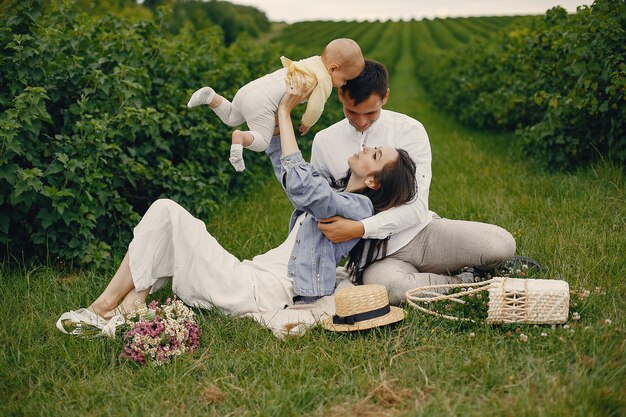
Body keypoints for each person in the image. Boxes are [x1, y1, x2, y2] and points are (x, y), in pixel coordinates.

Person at [56, 74, 417, 336]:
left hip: (260, 291)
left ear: (373, 181)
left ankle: (102, 308)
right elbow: (293, 178)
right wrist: (275, 129)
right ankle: (130, 304)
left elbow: (307, 190)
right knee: (170, 219)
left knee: (167, 211)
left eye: (375, 153)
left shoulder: (358, 209)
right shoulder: (334, 188)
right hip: (252, 276)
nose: (366, 146)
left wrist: (286, 115)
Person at [310, 60, 518, 305]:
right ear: (341, 95)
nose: (362, 121)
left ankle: (431, 273)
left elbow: (416, 206)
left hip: (421, 234)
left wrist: (361, 227)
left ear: (385, 97)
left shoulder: (409, 130)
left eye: (370, 113)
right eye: (353, 112)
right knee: (390, 289)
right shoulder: (324, 141)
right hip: (375, 257)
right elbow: (316, 202)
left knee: (501, 245)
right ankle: (467, 279)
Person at [187, 38, 364, 172]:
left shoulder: (312, 61)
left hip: (252, 88)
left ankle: (212, 97)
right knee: (263, 141)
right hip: (262, 101)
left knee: (232, 117)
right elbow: (316, 107)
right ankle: (240, 137)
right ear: (333, 69)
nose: (343, 84)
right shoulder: (324, 79)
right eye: (345, 79)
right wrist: (307, 123)